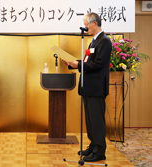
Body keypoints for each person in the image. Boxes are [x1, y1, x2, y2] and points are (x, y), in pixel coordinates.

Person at [62, 12, 112, 162]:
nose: (85, 28)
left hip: (96, 88)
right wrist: (74, 63)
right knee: (90, 120)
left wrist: (80, 65)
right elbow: (87, 62)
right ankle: (93, 146)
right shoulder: (93, 42)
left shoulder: (104, 41)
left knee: (96, 120)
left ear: (95, 23)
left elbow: (98, 64)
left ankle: (99, 151)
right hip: (89, 86)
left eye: (87, 25)